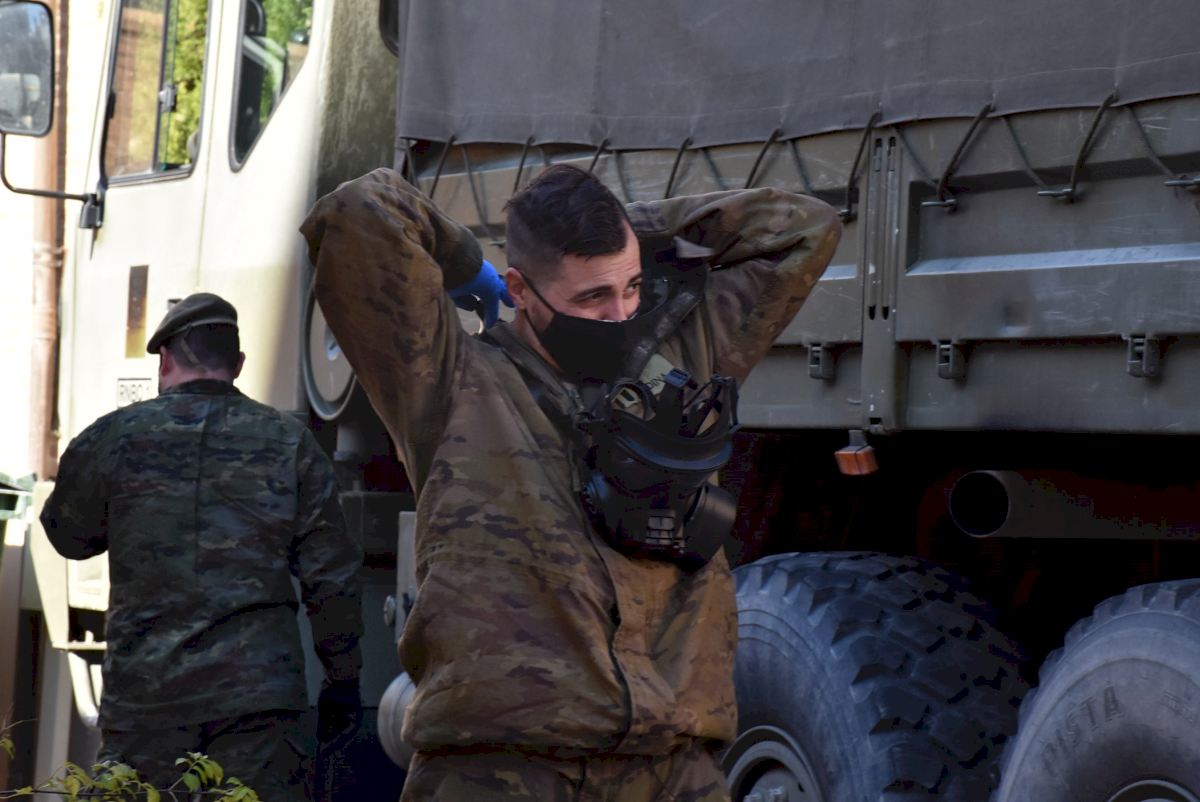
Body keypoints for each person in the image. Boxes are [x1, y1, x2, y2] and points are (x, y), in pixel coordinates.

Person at [301, 163, 840, 801]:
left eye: (632, 287)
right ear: (520, 290)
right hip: (506, 771)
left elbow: (805, 229)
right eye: (591, 298)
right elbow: (358, 211)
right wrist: (465, 259)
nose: (619, 314)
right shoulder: (448, 384)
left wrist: (627, 228)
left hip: (672, 768)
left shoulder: (678, 365)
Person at [40, 293, 364, 801]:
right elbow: (332, 577)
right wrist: (342, 680)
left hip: (146, 700)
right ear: (238, 364)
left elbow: (68, 537)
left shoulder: (114, 437)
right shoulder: (291, 443)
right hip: (258, 703)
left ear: (165, 360)